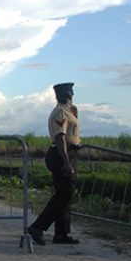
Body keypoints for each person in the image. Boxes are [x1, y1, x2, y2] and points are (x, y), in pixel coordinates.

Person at [28, 82, 81, 246]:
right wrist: (66, 162)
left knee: (64, 194)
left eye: (70, 91)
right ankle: (38, 227)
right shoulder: (60, 112)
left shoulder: (69, 111)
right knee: (64, 194)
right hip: (60, 154)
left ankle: (61, 233)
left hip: (68, 153)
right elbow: (60, 138)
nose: (70, 93)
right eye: (67, 91)